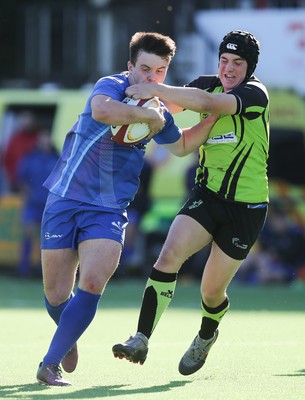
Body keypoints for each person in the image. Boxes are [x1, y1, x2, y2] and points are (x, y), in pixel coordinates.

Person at [36, 31, 217, 386]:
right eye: (145, 69)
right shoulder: (112, 85)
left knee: (91, 281)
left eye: (160, 72)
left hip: (108, 209)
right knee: (56, 294)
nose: (152, 78)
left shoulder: (157, 109)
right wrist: (147, 116)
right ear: (130, 66)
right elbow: (103, 111)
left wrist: (211, 119)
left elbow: (180, 146)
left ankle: (50, 362)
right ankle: (66, 337)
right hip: (65, 198)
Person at [112, 30, 270, 376]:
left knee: (211, 291)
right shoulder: (205, 85)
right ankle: (141, 338)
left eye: (237, 63)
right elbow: (167, 105)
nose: (228, 69)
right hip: (207, 196)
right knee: (169, 255)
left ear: (250, 67)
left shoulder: (255, 94)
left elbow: (209, 105)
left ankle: (206, 334)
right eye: (224, 60)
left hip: (247, 208)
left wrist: (154, 89)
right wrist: (131, 104)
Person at [16, 129, 59, 278]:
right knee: (29, 234)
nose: (45, 140)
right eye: (42, 137)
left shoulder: (57, 158)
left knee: (47, 238)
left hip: (50, 205)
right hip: (32, 204)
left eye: (47, 137)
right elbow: (22, 181)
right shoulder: (30, 158)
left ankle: (43, 271)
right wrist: (26, 199)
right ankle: (24, 269)